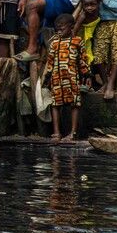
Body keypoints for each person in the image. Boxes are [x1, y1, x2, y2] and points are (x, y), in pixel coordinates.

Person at [44, 13, 89, 141]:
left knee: (74, 104)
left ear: (71, 27)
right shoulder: (54, 43)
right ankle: (57, 132)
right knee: (55, 104)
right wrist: (47, 77)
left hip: (72, 78)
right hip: (56, 78)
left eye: (62, 28)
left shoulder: (77, 41)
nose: (59, 31)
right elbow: (51, 62)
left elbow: (82, 60)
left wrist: (87, 74)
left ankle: (73, 133)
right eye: (57, 29)